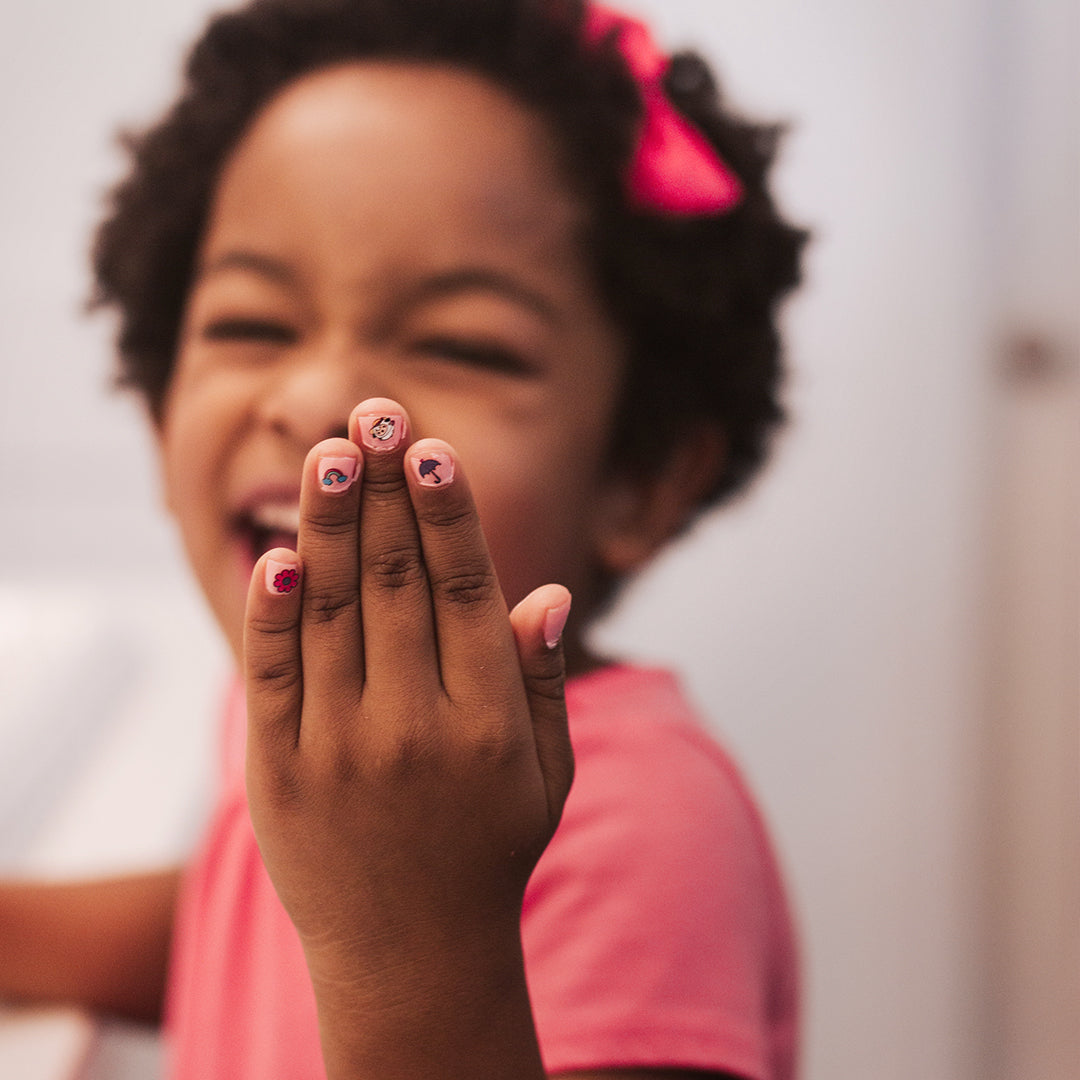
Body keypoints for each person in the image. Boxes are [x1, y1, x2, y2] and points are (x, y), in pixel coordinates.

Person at [0, 0, 807, 1076]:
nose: (323, 394)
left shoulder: (645, 832)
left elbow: (371, 935)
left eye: (460, 345)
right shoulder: (307, 709)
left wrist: (418, 939)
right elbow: (256, 917)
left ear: (642, 478)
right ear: (158, 412)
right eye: (251, 325)